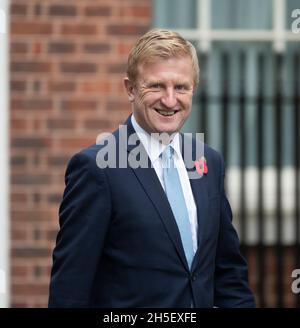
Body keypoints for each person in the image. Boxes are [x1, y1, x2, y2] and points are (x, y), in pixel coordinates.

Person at [48, 28, 255, 308]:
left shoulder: (208, 163)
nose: (170, 100)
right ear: (130, 89)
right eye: (156, 86)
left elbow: (229, 275)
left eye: (181, 87)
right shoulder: (97, 168)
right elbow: (70, 290)